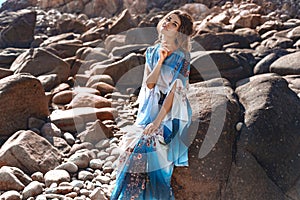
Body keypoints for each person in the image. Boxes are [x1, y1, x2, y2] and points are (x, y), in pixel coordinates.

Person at [110, 9, 194, 200]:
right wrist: (161, 60)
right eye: (167, 19)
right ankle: (130, 196)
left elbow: (174, 93)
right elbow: (149, 84)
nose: (167, 23)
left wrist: (157, 122)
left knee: (147, 144)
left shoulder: (183, 57)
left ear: (180, 32)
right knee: (130, 148)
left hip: (171, 113)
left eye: (174, 23)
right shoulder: (152, 52)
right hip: (150, 109)